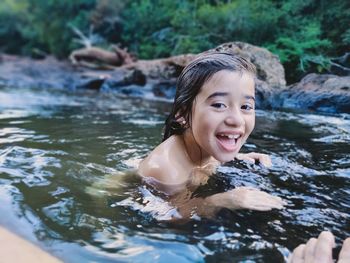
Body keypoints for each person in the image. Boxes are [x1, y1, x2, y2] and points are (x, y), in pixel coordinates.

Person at [137, 52, 284, 220]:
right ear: (183, 114)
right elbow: (168, 217)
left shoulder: (204, 145)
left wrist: (239, 157)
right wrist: (219, 201)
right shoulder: (166, 170)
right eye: (219, 105)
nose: (237, 120)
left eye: (246, 106)